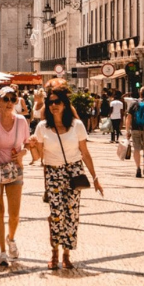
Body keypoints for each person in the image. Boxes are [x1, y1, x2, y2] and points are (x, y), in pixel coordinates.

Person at [28, 80, 102, 270]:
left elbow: (85, 153)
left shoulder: (76, 125)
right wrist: (32, 148)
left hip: (74, 171)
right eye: (50, 102)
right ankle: (54, 252)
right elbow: (39, 158)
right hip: (53, 171)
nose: (53, 106)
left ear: (64, 104)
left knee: (72, 214)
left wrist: (95, 178)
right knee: (56, 214)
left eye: (57, 102)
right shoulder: (42, 127)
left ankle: (66, 254)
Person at [0, 87, 29, 267]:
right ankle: (2, 252)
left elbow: (27, 144)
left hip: (14, 169)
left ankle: (11, 239)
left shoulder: (21, 121)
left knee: (14, 214)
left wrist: (23, 153)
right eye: (5, 99)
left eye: (13, 99)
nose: (10, 103)